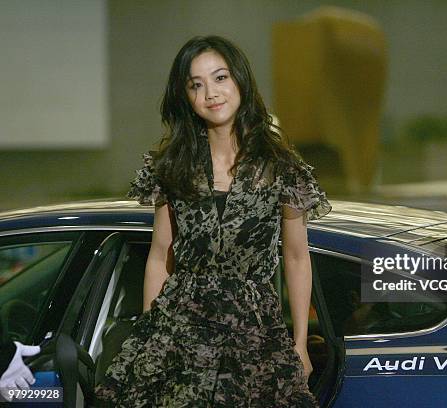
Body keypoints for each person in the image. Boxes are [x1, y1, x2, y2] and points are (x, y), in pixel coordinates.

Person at [94, 35, 331, 407]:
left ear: (240, 80)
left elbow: (297, 258)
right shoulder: (171, 167)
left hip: (254, 336)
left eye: (220, 78)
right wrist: (150, 334)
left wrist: (299, 343)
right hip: (180, 333)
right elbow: (161, 255)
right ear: (185, 97)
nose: (211, 93)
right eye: (196, 85)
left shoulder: (282, 169)